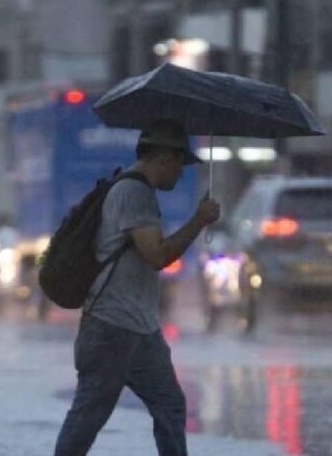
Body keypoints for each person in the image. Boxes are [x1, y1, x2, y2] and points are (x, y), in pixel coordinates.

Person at [54, 119, 220, 456]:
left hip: (139, 329)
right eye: (180, 165)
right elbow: (157, 254)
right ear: (164, 158)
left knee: (170, 405)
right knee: (88, 417)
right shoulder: (133, 193)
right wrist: (198, 221)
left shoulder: (138, 192)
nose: (180, 173)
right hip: (111, 327)